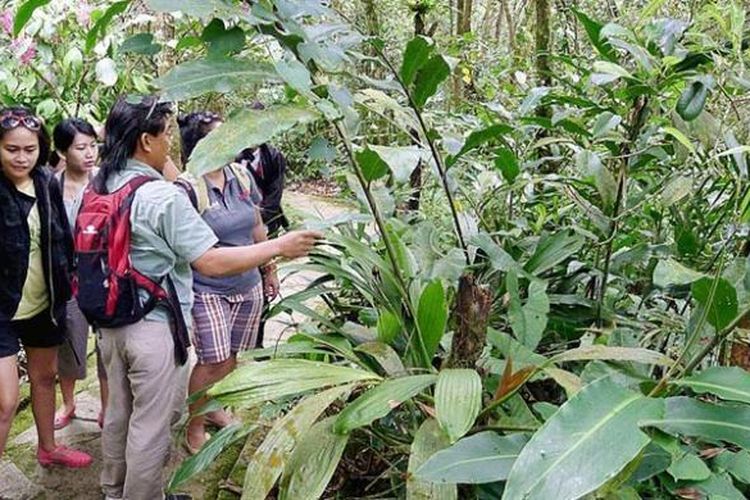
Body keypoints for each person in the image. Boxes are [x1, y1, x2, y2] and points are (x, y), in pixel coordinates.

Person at [78, 96, 321, 500]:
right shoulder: (162, 197)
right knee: (153, 424)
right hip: (152, 327)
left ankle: (113, 491)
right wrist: (280, 248)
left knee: (120, 412)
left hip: (109, 321)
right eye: (165, 135)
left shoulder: (100, 183)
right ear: (146, 141)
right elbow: (209, 261)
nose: (170, 143)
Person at [177, 111, 280, 453]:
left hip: (247, 286)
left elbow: (256, 226)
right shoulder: (187, 187)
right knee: (211, 361)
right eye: (225, 134)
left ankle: (214, 409)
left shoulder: (241, 176)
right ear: (204, 143)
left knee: (231, 357)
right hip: (207, 289)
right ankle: (194, 423)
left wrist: (270, 269)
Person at [0, 106, 92, 468]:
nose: (21, 157)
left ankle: (48, 447)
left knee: (45, 376)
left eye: (29, 149)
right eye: (11, 149)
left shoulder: (45, 182)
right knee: (6, 402)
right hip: (2, 310)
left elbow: (61, 239)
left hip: (43, 301)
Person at [51, 118, 108, 430]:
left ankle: (107, 406)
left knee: (106, 347)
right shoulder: (51, 185)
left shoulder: (105, 182)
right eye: (80, 147)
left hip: (103, 277)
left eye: (92, 146)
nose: (89, 154)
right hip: (68, 280)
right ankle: (69, 402)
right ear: (62, 151)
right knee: (69, 344)